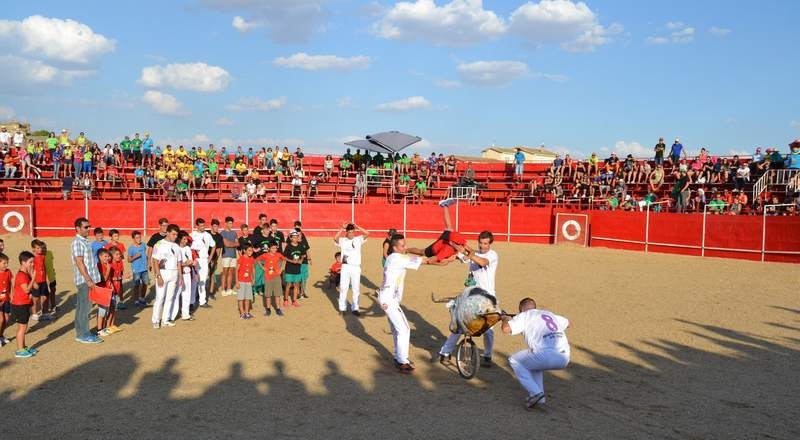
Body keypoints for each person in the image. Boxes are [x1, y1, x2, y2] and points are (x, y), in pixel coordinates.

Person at [438, 230, 499, 367]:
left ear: (490, 244)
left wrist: (467, 253)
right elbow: (454, 257)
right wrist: (444, 256)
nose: (483, 246)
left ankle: (488, 356)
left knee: (488, 329)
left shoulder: (492, 255)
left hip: (487, 298)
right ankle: (445, 353)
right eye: (480, 243)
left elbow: (482, 262)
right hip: (471, 297)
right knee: (460, 325)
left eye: (485, 243)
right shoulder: (474, 253)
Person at [501, 297, 570, 410]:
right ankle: (540, 401)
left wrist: (504, 319)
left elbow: (505, 329)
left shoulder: (524, 316)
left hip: (547, 355)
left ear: (521, 310)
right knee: (534, 366)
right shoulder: (548, 314)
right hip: (564, 357)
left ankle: (536, 392)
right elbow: (568, 324)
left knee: (514, 360)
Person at [379, 234, 431, 373]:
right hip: (389, 300)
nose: (405, 247)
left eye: (405, 244)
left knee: (397, 329)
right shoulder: (399, 258)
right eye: (402, 246)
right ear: (395, 247)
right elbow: (426, 260)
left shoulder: (391, 257)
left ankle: (398, 357)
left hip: (386, 298)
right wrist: (447, 258)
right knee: (404, 329)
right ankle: (402, 361)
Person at [71, 217, 103, 344]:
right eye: (86, 227)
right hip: (85, 280)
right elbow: (79, 262)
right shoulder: (77, 242)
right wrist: (88, 279)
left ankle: (81, 332)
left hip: (88, 279)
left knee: (81, 307)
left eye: (89, 226)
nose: (89, 229)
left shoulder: (85, 241)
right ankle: (83, 334)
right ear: (78, 228)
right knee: (85, 308)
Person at [407, 198, 463, 265]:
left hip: (445, 242)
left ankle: (445, 205)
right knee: (422, 252)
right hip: (434, 249)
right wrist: (448, 260)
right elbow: (430, 261)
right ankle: (407, 251)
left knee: (449, 228)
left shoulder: (460, 243)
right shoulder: (447, 251)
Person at [151, 224, 183, 329]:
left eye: (176, 235)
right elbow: (155, 261)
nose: (175, 236)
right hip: (163, 273)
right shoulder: (158, 244)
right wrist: (158, 276)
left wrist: (180, 276)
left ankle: (165, 319)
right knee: (160, 298)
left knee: (170, 298)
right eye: (173, 234)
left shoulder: (177, 246)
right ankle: (155, 320)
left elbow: (179, 262)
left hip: (174, 274)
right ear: (168, 232)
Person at [334, 222, 369, 316]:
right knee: (344, 288)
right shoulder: (343, 240)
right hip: (345, 267)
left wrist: (357, 226)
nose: (351, 234)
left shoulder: (358, 239)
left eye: (353, 232)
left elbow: (367, 233)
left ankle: (355, 308)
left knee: (356, 288)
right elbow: (335, 238)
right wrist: (342, 228)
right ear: (346, 232)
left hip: (356, 267)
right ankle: (342, 308)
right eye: (349, 232)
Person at [12, 251, 39, 358]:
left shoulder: (26, 274)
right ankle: (19, 350)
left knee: (23, 327)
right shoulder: (21, 275)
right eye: (30, 262)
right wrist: (32, 278)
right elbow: (27, 290)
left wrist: (32, 275)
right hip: (19, 305)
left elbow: (36, 287)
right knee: (22, 328)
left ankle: (23, 347)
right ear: (23, 262)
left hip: (24, 304)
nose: (32, 264)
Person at [190, 218, 215, 308]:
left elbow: (213, 245)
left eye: (204, 225)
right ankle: (191, 302)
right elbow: (189, 248)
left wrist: (211, 256)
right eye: (201, 226)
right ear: (197, 226)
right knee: (194, 282)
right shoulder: (192, 235)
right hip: (195, 260)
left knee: (203, 281)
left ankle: (202, 301)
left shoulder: (208, 235)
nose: (203, 227)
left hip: (204, 260)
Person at [257, 240, 285, 317]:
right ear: (269, 248)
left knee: (277, 294)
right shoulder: (265, 255)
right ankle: (268, 309)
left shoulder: (278, 254)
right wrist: (262, 267)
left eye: (275, 248)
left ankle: (278, 308)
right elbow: (258, 259)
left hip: (276, 276)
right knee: (268, 295)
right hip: (268, 277)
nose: (274, 250)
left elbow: (284, 259)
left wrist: (281, 269)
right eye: (272, 248)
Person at [173, 232, 196, 322]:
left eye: (186, 239)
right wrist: (185, 263)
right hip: (178, 274)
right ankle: (172, 315)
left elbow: (190, 260)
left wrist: (190, 263)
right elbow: (174, 263)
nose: (186, 241)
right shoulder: (175, 248)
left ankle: (185, 314)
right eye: (184, 239)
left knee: (187, 294)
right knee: (176, 295)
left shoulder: (187, 248)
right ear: (179, 239)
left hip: (187, 273)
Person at [282, 231, 306, 307]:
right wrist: (291, 261)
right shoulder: (288, 246)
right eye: (294, 237)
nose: (295, 239)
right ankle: (285, 300)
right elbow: (284, 257)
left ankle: (294, 300)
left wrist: (301, 260)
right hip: (289, 269)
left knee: (296, 285)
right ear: (291, 238)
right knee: (288, 285)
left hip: (297, 269)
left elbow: (303, 255)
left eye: (296, 237)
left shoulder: (300, 246)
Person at [29, 239, 51, 322]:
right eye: (38, 248)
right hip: (36, 281)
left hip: (43, 281)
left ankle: (45, 313)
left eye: (41, 248)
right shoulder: (31, 258)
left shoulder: (42, 256)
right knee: (35, 298)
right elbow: (30, 270)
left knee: (46, 296)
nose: (40, 250)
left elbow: (43, 268)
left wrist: (47, 279)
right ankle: (34, 314)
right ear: (33, 249)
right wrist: (33, 282)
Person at [128, 231, 149, 307]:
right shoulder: (131, 248)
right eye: (137, 238)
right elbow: (128, 260)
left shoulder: (143, 245)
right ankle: (136, 300)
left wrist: (148, 263)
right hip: (136, 269)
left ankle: (142, 298)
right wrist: (135, 257)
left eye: (139, 237)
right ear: (133, 239)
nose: (139, 239)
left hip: (144, 268)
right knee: (137, 285)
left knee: (145, 283)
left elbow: (145, 255)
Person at [220, 217, 239, 296]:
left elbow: (237, 244)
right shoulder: (222, 233)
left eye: (232, 223)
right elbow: (226, 244)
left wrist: (230, 244)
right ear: (226, 223)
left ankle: (229, 289)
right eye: (230, 223)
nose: (231, 225)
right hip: (226, 255)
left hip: (233, 255)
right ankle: (223, 289)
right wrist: (232, 244)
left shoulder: (234, 233)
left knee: (231, 272)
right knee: (225, 272)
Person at [236, 244, 256, 319]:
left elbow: (253, 269)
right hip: (241, 281)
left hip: (248, 281)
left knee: (248, 298)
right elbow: (236, 270)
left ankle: (247, 313)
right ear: (244, 251)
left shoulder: (252, 259)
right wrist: (237, 281)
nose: (251, 252)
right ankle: (242, 313)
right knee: (241, 298)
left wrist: (253, 279)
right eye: (249, 250)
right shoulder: (241, 259)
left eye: (251, 250)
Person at [207, 219, 224, 299]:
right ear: (211, 226)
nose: (216, 228)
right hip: (204, 258)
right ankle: (198, 293)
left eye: (217, 226)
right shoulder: (206, 234)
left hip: (213, 259)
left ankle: (210, 292)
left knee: (212, 275)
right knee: (202, 275)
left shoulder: (219, 237)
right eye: (215, 226)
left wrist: (215, 260)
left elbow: (218, 250)